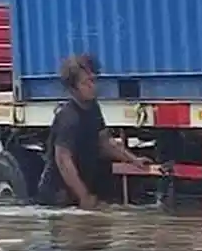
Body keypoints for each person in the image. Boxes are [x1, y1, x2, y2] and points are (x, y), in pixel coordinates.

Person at [36, 53, 150, 209]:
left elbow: (106, 143)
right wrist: (83, 195)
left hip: (77, 191)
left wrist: (134, 160)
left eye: (93, 80)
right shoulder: (68, 117)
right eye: (86, 83)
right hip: (57, 195)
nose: (92, 86)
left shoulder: (93, 109)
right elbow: (63, 160)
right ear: (73, 89)